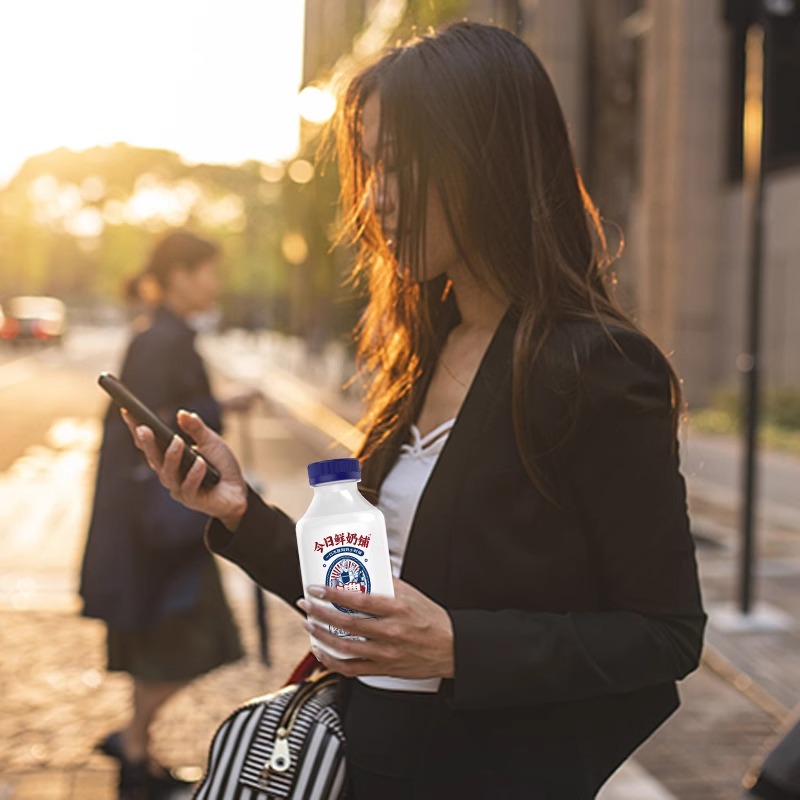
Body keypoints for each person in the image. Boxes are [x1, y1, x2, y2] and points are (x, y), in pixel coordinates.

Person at [125, 22, 706, 799]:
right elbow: (370, 593)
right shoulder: (426, 348)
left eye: (398, 167)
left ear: (484, 161)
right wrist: (239, 514)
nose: (374, 199)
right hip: (363, 763)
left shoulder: (597, 368)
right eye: (370, 168)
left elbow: (665, 634)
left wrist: (461, 646)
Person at [80, 231, 258, 800]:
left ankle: (138, 757)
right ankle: (133, 743)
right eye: (208, 271)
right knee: (196, 641)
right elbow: (152, 426)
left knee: (161, 641)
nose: (216, 283)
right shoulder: (164, 338)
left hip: (153, 521)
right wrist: (217, 409)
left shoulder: (161, 333)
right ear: (180, 275)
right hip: (162, 525)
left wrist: (216, 407)